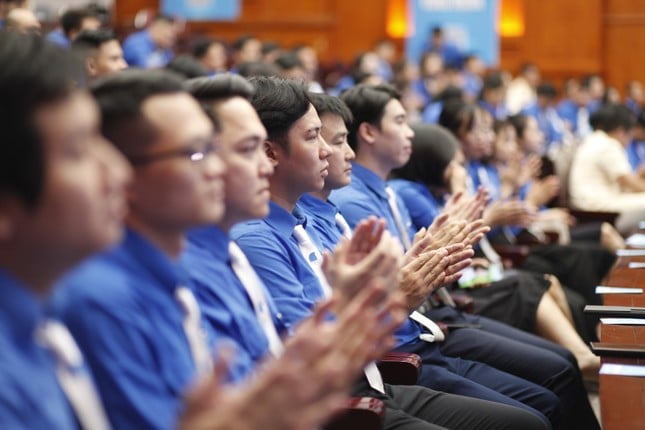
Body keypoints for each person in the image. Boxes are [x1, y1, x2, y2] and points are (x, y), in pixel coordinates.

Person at [231, 76, 548, 430]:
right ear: (271, 152)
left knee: (534, 408)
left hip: (385, 365)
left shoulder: (304, 221)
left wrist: (413, 270)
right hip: (350, 394)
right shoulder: (258, 237)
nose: (331, 151)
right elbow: (308, 353)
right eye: (313, 137)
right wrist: (395, 296)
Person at [309, 92, 601, 430]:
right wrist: (431, 262)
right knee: (542, 397)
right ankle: (583, 358)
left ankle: (582, 357)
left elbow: (413, 276)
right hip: (402, 346)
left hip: (425, 323)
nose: (410, 133)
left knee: (553, 371)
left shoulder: (373, 197)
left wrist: (440, 255)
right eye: (400, 122)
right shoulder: (354, 203)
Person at [569, 103, 645, 233]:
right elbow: (628, 182)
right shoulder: (608, 145)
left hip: (589, 204)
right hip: (596, 208)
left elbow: (625, 181)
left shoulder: (595, 139)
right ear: (621, 131)